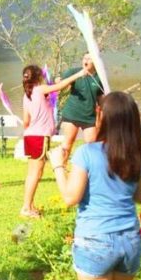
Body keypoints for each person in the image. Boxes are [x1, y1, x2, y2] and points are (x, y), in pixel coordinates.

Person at [49, 92, 141, 280]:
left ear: (101, 116)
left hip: (95, 241)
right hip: (130, 241)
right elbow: (140, 197)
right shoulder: (139, 156)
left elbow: (70, 197)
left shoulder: (87, 153)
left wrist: (57, 165)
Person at [21, 64, 90, 218]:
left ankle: (29, 205)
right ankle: (26, 208)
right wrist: (78, 74)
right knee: (36, 174)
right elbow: (59, 86)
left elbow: (26, 121)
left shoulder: (27, 95)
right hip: (39, 137)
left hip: (30, 136)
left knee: (32, 173)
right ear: (39, 76)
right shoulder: (40, 89)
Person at [59, 54, 105, 157]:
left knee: (91, 147)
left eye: (89, 58)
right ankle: (62, 166)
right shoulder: (74, 72)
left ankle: (87, 171)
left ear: (95, 62)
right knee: (67, 144)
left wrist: (101, 118)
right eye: (84, 58)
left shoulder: (99, 77)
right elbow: (59, 84)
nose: (86, 60)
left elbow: (101, 99)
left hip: (89, 117)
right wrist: (77, 76)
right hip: (72, 114)